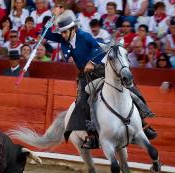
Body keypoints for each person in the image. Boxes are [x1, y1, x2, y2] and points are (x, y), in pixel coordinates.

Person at [43, 13, 156, 148]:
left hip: (100, 70)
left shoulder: (84, 36)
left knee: (129, 88)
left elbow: (99, 48)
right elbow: (45, 34)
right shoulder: (64, 39)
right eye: (61, 32)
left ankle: (142, 124)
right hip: (84, 75)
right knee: (82, 101)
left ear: (73, 29)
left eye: (65, 31)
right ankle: (91, 135)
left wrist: (92, 62)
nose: (63, 35)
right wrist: (50, 21)